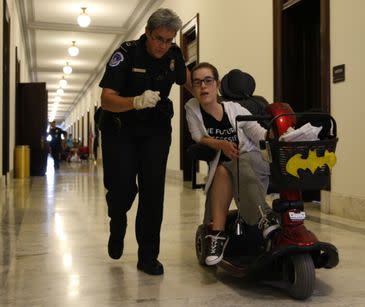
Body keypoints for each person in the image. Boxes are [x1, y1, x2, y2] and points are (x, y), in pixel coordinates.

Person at [98, 8, 191, 275]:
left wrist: (210, 97)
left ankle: (148, 256)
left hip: (156, 132)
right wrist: (136, 102)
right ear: (148, 33)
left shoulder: (174, 56)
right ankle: (118, 221)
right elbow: (107, 99)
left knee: (153, 194)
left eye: (169, 40)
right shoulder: (126, 54)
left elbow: (187, 82)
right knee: (121, 190)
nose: (164, 45)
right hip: (120, 132)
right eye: (159, 38)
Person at [185, 62, 279, 266]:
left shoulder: (235, 108)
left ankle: (219, 236)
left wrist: (274, 134)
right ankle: (259, 219)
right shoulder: (192, 107)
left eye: (208, 81)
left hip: (254, 161)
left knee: (239, 159)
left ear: (217, 84)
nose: (203, 86)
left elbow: (257, 134)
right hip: (227, 166)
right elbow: (197, 136)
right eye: (198, 82)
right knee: (222, 169)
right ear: (193, 88)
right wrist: (221, 144)